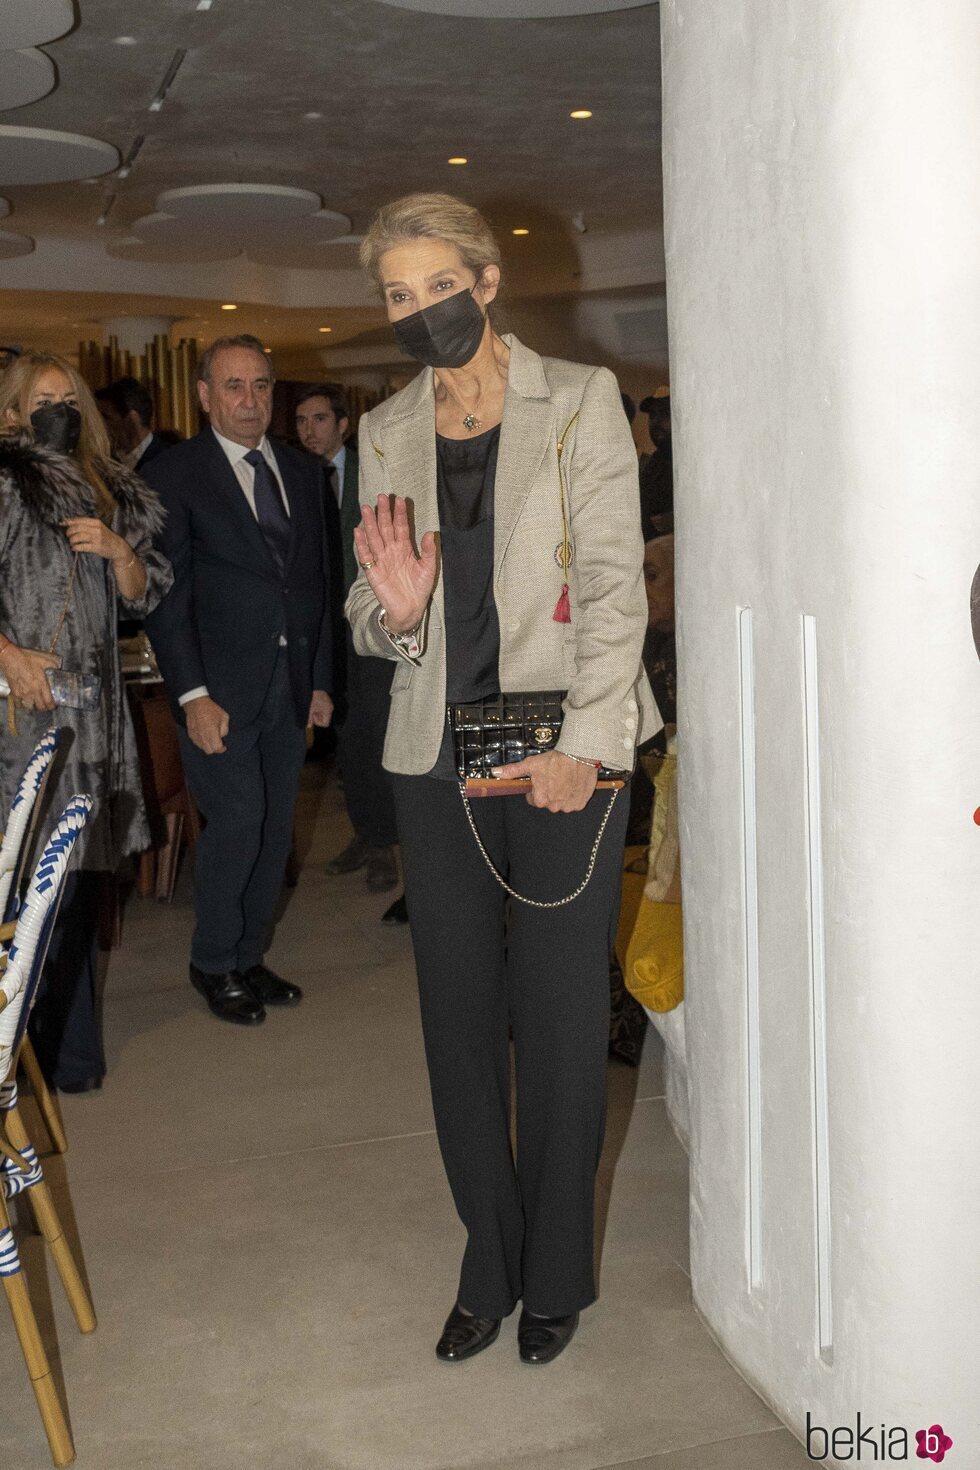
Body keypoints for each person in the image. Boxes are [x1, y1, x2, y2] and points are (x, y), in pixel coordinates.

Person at [347, 194, 661, 1366]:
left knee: (564, 1020)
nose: (418, 310)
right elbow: (365, 600)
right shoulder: (383, 431)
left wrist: (588, 746)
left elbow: (618, 593)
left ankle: (556, 1276)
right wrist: (398, 617)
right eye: (395, 294)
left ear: (484, 283)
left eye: (437, 285)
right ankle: (488, 1258)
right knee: (458, 1025)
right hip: (440, 757)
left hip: (566, 755)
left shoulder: (576, 401)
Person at [143, 336, 334, 1027]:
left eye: (260, 385)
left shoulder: (303, 470)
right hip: (216, 694)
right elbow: (168, 597)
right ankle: (213, 961)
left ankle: (249, 957)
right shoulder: (177, 474)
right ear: (203, 395)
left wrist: (317, 677)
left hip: (287, 687)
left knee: (276, 831)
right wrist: (191, 696)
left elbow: (314, 581)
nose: (250, 401)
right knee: (239, 825)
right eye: (233, 387)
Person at [0, 352, 173, 1091]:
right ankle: (28, 1052)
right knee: (28, 889)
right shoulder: (7, 482)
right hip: (23, 722)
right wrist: (8, 654)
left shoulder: (110, 488)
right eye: (43, 399)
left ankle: (64, 1055)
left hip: (95, 721)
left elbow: (146, 594)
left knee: (75, 889)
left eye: (69, 398)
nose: (60, 410)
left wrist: (118, 548)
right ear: (12, 411)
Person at [296, 383, 400, 895]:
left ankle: (383, 842)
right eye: (301, 420)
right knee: (342, 734)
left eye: (319, 419)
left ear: (342, 424)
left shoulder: (369, 469)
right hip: (322, 628)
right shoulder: (295, 477)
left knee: (371, 732)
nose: (309, 430)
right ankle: (366, 833)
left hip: (369, 623)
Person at [95, 376, 168, 474]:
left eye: (106, 417)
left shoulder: (167, 460)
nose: (99, 425)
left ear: (131, 420)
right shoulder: (104, 464)